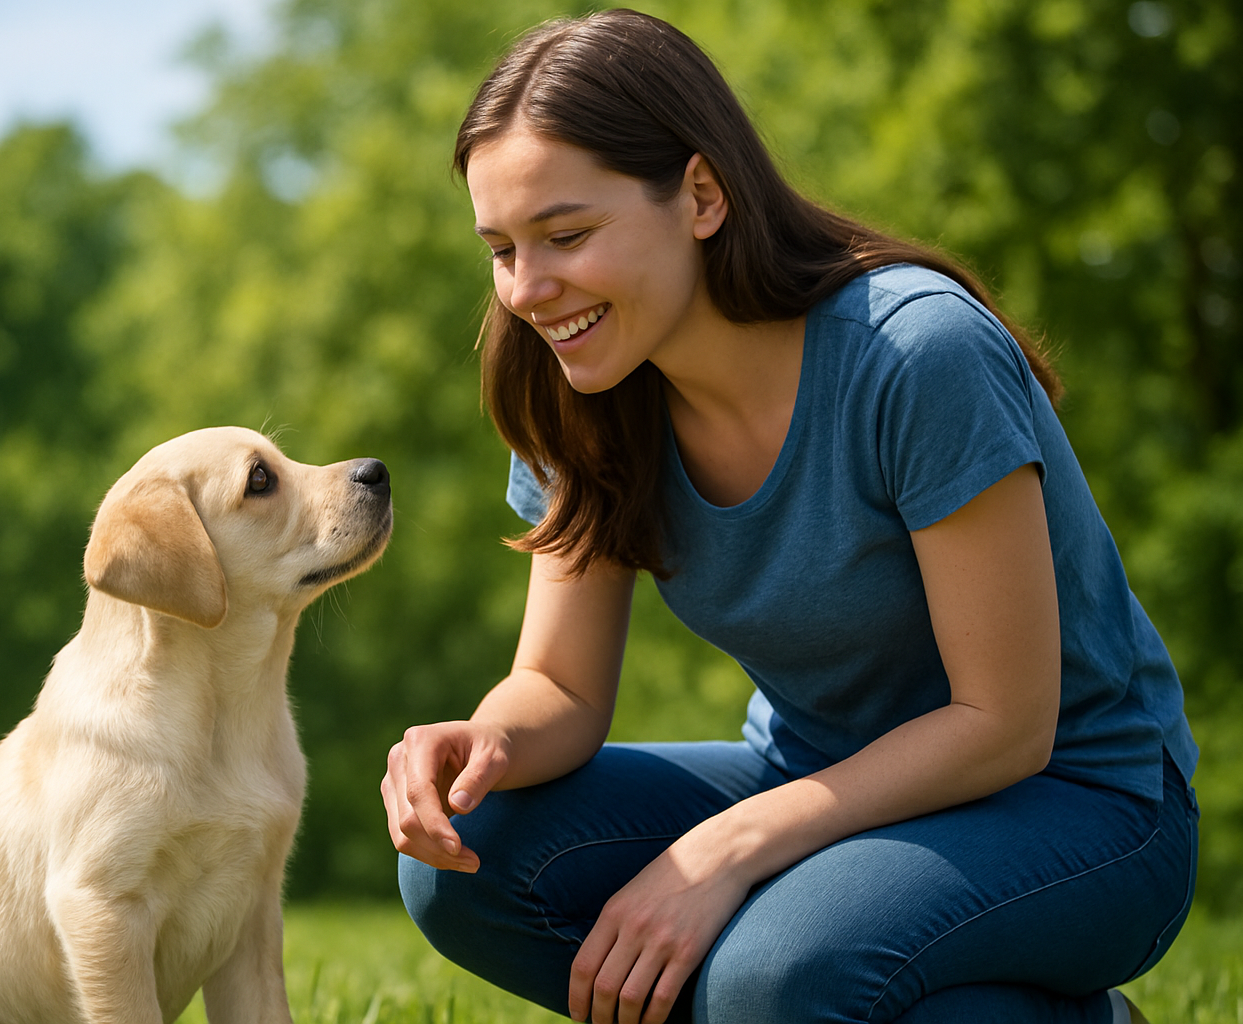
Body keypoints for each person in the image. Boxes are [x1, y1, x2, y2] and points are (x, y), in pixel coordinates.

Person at [380, 9, 1198, 1024]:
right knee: (471, 861)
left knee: (774, 973)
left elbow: (1005, 725)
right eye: (501, 248)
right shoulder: (577, 393)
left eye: (566, 234)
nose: (528, 290)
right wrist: (481, 742)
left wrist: (724, 849)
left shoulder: (914, 354)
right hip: (818, 776)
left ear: (702, 196)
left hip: (1080, 801)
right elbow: (557, 683)